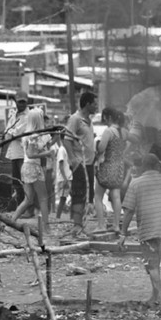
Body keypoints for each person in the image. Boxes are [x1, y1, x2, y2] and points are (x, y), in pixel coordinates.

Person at [119, 153, 161, 306]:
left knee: (152, 265)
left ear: (143, 167)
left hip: (147, 228)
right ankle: (155, 295)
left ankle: (159, 300)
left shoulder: (135, 183)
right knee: (155, 263)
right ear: (157, 165)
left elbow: (129, 211)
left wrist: (123, 233)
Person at [12, 108, 53, 233]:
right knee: (43, 198)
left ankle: (12, 220)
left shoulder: (28, 134)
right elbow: (31, 154)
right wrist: (47, 153)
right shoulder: (35, 136)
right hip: (34, 167)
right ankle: (46, 227)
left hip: (25, 167)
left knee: (28, 199)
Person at [64, 91, 98, 236]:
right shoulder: (75, 119)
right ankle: (76, 226)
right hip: (80, 163)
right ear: (88, 104)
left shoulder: (88, 121)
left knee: (88, 193)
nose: (96, 106)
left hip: (89, 163)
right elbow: (66, 139)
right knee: (78, 193)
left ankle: (81, 225)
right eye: (95, 103)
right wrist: (73, 159)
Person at [94, 108, 129, 233]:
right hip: (119, 166)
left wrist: (97, 144)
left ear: (109, 117)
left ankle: (101, 225)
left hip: (108, 166)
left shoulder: (108, 131)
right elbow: (128, 146)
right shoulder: (124, 132)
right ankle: (116, 225)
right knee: (116, 196)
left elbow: (101, 149)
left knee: (98, 196)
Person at [4, 91, 29, 213]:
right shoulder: (13, 115)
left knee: (25, 181)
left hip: (24, 153)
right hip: (14, 152)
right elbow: (7, 134)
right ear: (16, 102)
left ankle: (26, 209)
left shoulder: (29, 116)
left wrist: (13, 132)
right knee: (16, 182)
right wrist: (13, 132)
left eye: (24, 102)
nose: (22, 104)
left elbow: (20, 133)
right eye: (20, 102)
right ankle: (20, 207)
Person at [55, 134, 72, 219]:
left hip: (68, 177)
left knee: (72, 196)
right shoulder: (62, 150)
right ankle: (58, 216)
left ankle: (73, 215)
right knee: (63, 198)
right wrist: (65, 179)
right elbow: (61, 166)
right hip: (63, 178)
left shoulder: (66, 149)